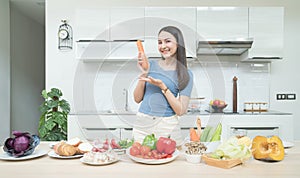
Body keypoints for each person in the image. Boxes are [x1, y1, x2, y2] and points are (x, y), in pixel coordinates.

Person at [132, 26, 193, 146]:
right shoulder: (150, 65)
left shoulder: (186, 74)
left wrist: (163, 87)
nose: (163, 46)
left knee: (170, 163)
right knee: (140, 161)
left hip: (167, 126)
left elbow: (181, 110)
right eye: (159, 42)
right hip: (143, 124)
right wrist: (144, 73)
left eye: (167, 41)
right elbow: (137, 99)